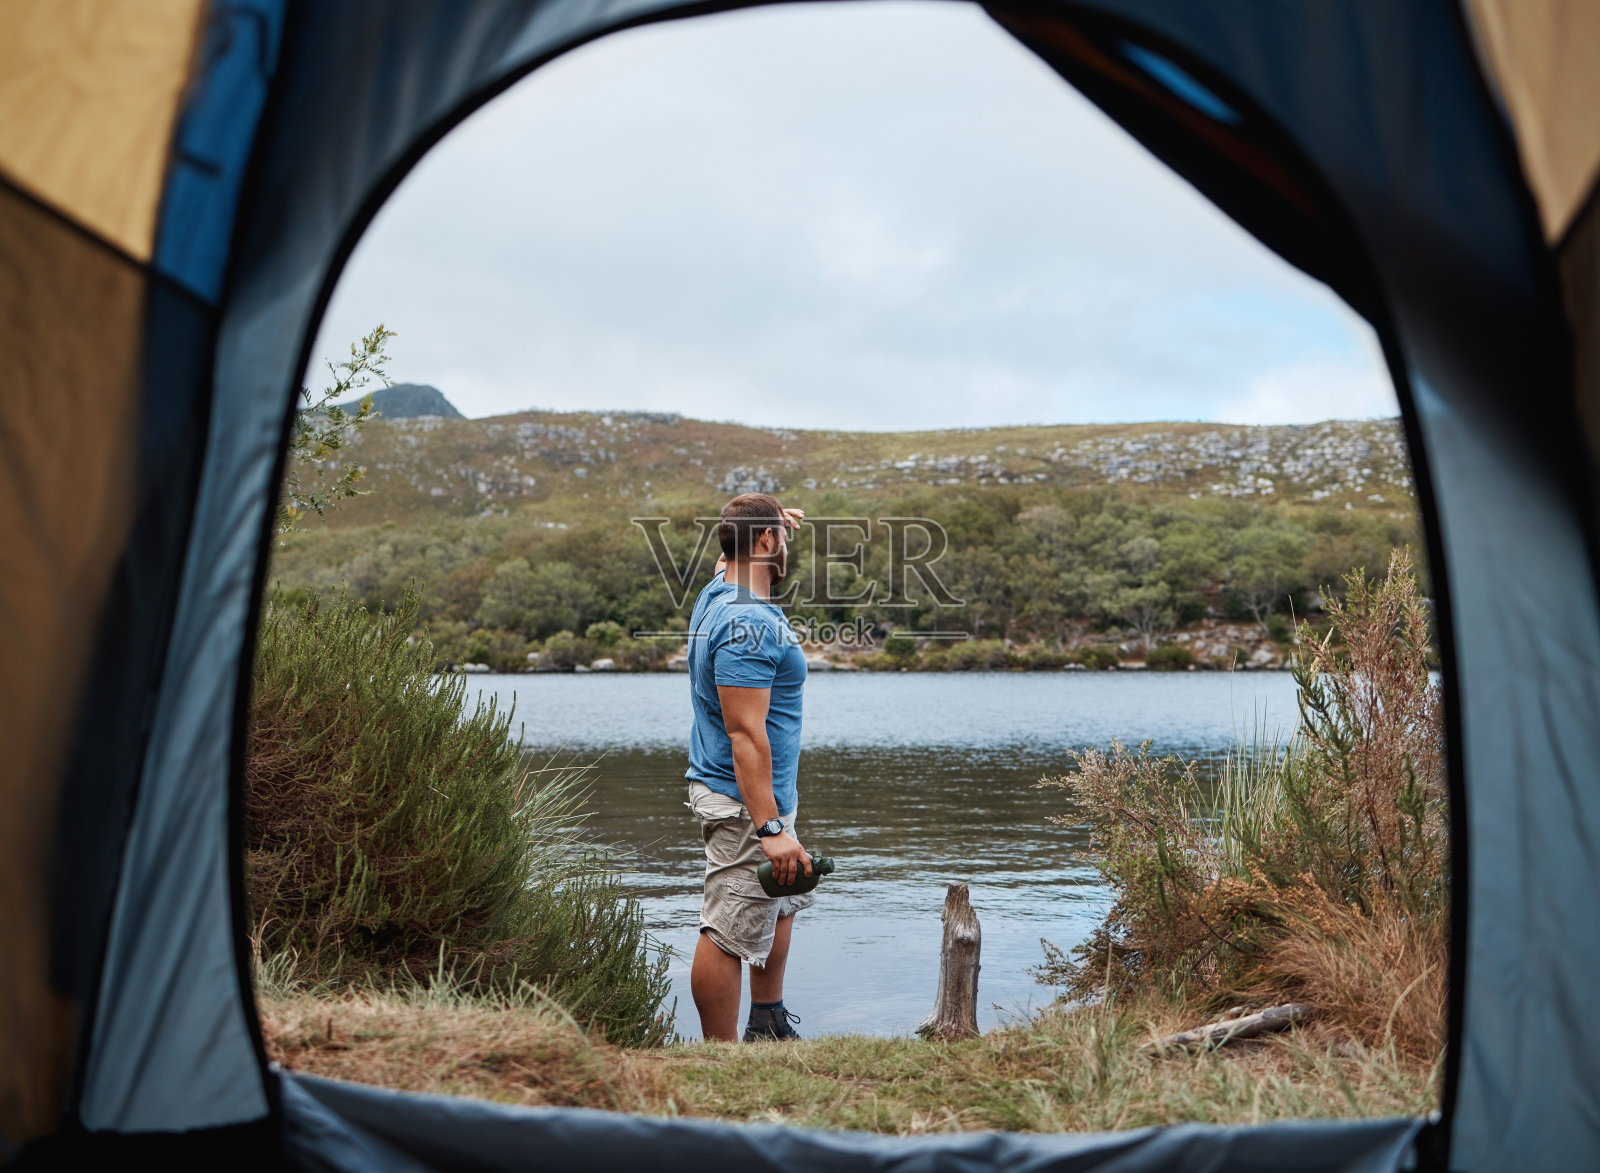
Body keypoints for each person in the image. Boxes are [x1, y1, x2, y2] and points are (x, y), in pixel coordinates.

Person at [685, 492, 813, 1042]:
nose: (787, 545)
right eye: (780, 536)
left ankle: (768, 1021)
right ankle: (720, 1055)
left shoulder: (720, 588)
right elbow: (745, 734)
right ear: (764, 543)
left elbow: (729, 554)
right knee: (729, 924)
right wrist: (770, 828)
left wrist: (768, 521)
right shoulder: (748, 623)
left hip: (761, 793)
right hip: (744, 799)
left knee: (778, 899)